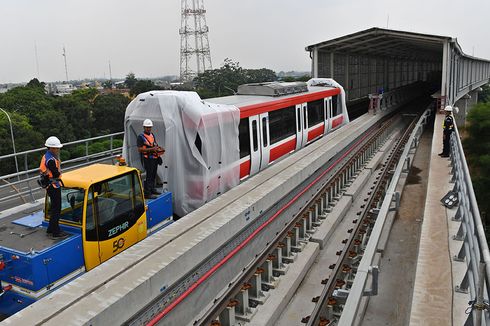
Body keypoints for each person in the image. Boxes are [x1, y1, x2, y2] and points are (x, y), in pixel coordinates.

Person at [40, 136, 68, 239]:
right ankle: (56, 232)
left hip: (50, 185)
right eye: (56, 148)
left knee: (54, 208)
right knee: (57, 209)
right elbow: (55, 174)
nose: (58, 150)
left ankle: (51, 229)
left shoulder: (46, 156)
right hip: (54, 185)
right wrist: (59, 172)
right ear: (51, 148)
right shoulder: (51, 160)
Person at [137, 119, 165, 198]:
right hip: (147, 159)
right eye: (147, 127)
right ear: (144, 127)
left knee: (153, 174)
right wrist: (151, 149)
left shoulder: (152, 135)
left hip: (154, 158)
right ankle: (147, 193)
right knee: (149, 175)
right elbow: (140, 149)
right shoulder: (141, 137)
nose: (148, 129)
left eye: (149, 127)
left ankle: (152, 189)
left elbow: (155, 145)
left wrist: (159, 152)